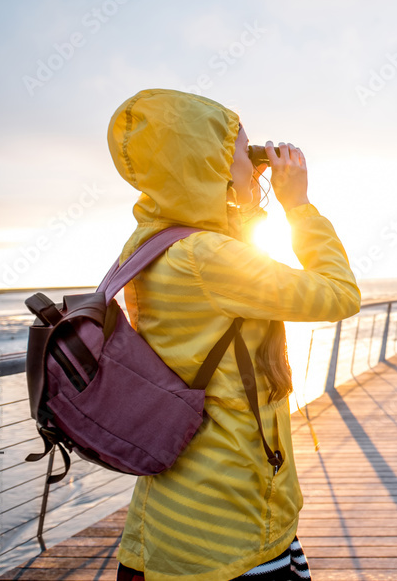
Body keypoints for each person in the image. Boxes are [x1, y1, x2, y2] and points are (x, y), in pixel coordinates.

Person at [106, 89, 360, 580]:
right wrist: (299, 206)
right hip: (229, 522)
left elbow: (228, 279)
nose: (255, 158)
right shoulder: (208, 259)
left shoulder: (155, 242)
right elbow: (338, 294)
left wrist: (242, 198)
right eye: (242, 150)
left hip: (171, 514)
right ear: (212, 166)